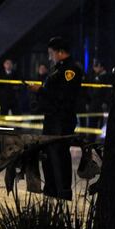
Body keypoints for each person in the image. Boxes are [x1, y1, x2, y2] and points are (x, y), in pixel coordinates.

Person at [31, 36, 83, 200]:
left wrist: (40, 90)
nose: (50, 57)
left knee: (59, 155)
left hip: (61, 120)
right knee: (48, 155)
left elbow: (63, 96)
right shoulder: (57, 69)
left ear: (60, 52)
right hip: (52, 118)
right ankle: (51, 189)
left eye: (51, 53)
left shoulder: (70, 70)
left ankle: (63, 192)